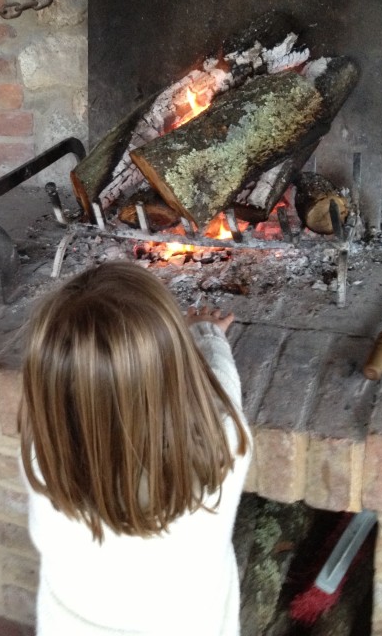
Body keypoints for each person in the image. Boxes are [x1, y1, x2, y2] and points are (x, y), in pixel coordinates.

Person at [19, 261, 252, 636]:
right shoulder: (223, 442)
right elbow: (223, 386)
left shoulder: (42, 455)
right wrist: (207, 335)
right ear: (177, 366)